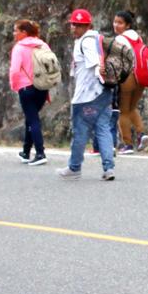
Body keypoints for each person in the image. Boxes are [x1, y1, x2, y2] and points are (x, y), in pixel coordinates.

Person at [57, 9, 115, 181]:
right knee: (103, 129)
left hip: (87, 96)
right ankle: (109, 168)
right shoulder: (96, 39)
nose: (75, 28)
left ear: (88, 25)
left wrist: (100, 74)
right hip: (104, 93)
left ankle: (74, 168)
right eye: (74, 24)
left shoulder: (86, 42)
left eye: (79, 25)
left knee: (80, 132)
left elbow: (96, 64)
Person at [8, 19, 52, 166]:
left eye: (16, 31)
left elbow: (14, 70)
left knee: (33, 119)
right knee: (31, 117)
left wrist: (15, 86)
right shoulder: (43, 45)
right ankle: (26, 151)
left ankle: (40, 153)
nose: (14, 34)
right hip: (42, 87)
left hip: (26, 87)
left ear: (24, 33)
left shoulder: (19, 48)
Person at [112, 10, 148, 154]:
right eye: (115, 22)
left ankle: (127, 144)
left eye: (120, 23)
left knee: (123, 111)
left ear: (127, 25)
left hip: (127, 76)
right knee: (132, 108)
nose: (116, 25)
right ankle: (141, 134)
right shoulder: (137, 37)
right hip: (141, 76)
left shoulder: (120, 39)